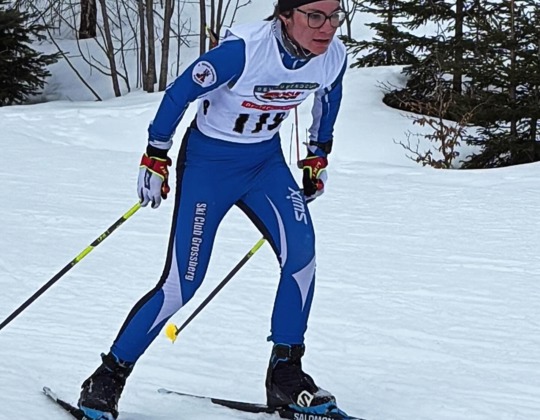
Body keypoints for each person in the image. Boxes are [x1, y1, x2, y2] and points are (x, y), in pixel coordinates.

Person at [78, 0, 348, 419]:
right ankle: (107, 377)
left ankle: (286, 376)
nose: (326, 27)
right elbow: (181, 91)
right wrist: (156, 153)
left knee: (302, 255)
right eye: (314, 16)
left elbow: (328, 99)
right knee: (183, 281)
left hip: (265, 165)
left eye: (333, 16)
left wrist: (317, 156)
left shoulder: (333, 56)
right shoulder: (243, 52)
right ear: (285, 16)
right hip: (209, 166)